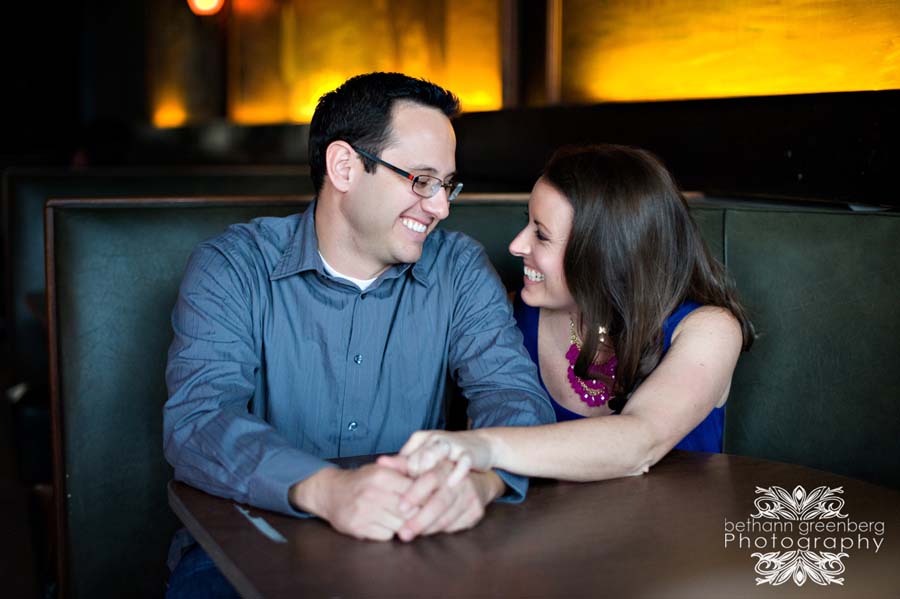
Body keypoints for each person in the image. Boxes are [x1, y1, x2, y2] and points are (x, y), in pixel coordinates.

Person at [163, 73, 554, 594]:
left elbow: (513, 394)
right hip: (250, 544)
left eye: (447, 185)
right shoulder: (233, 267)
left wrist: (483, 481)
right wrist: (330, 492)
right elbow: (199, 421)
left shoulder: (457, 267)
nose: (440, 206)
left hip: (416, 542)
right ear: (344, 167)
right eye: (421, 180)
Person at [394, 144, 754, 485]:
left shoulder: (709, 330)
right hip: (546, 537)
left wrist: (486, 446)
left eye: (541, 235)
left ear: (606, 254)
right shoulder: (506, 313)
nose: (517, 246)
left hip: (675, 542)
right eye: (527, 223)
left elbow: (640, 442)